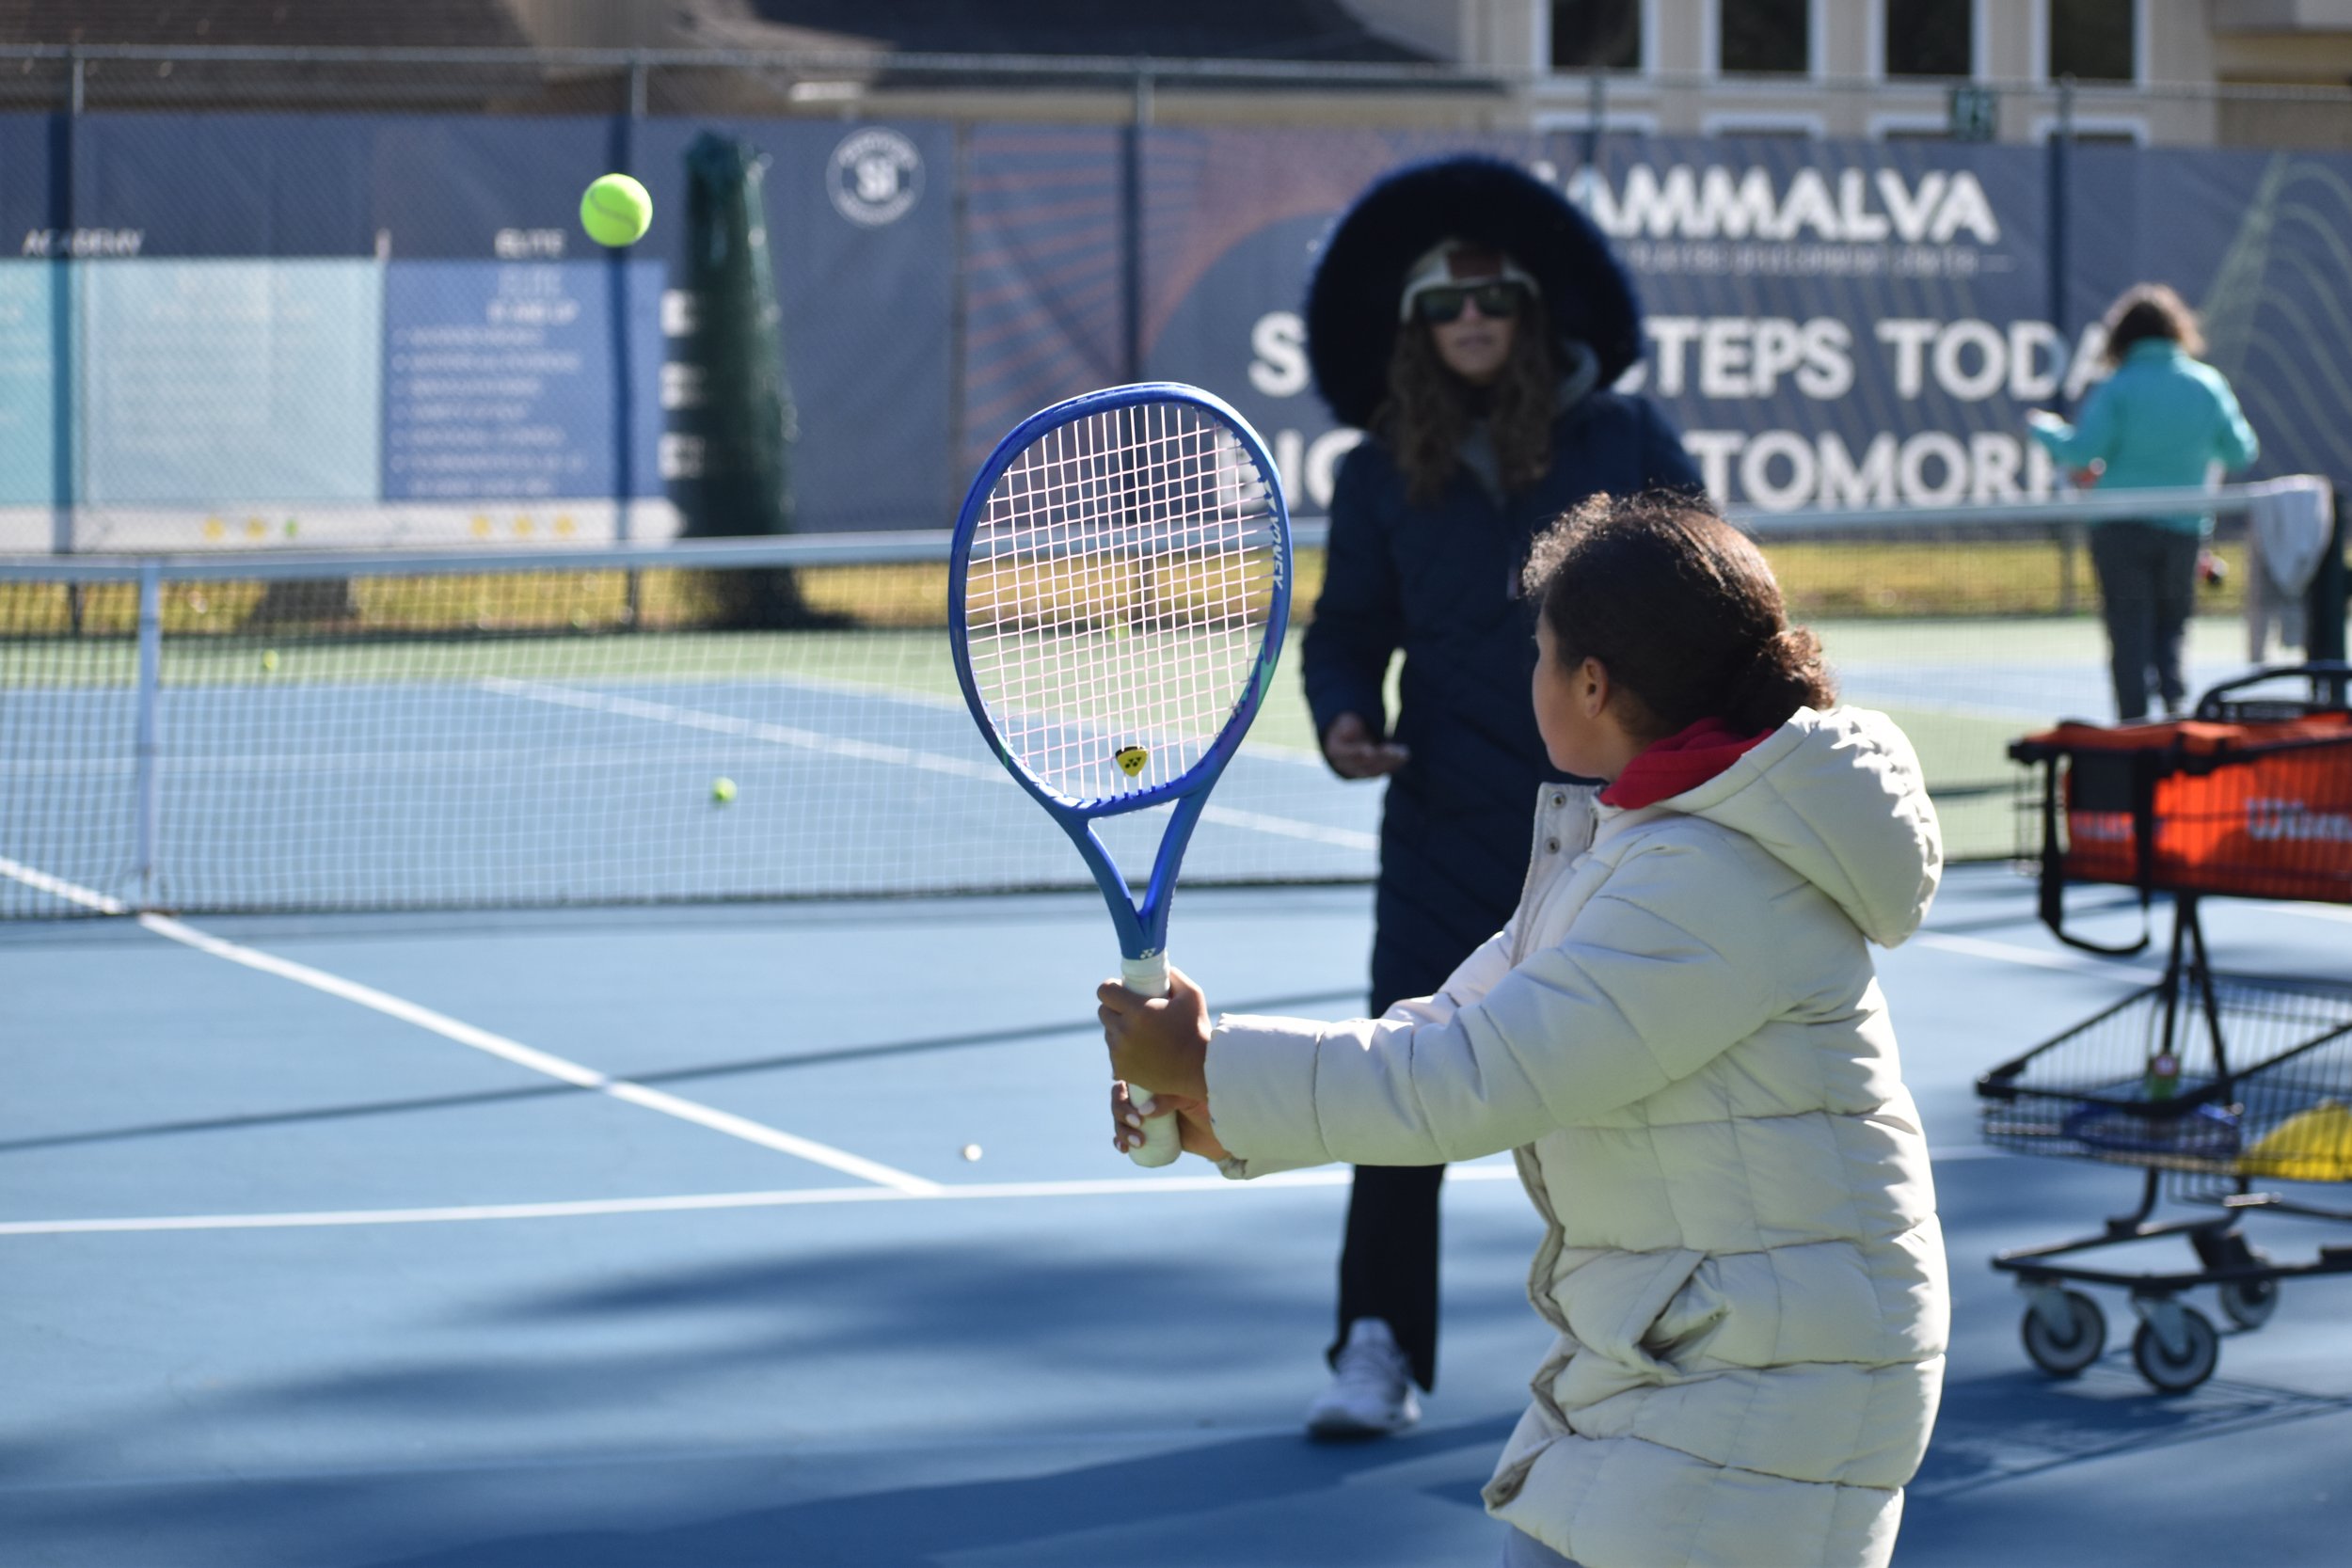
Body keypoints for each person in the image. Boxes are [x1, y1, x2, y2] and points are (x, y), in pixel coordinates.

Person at [1100, 491, 1949, 1568]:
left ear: (1591, 684)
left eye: (1541, 650)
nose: (1531, 671)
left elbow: (1468, 1078)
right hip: (1689, 1356)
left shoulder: (1707, 877)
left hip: (1765, 1382)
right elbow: (1454, 1022)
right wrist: (1214, 1099)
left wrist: (1213, 1067)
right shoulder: (1639, 843)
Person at [1295, 154, 1704, 1438]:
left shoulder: (1624, 440)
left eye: (1494, 299)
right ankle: (1375, 1344)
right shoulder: (1374, 475)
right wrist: (1345, 713)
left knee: (1645, 1092)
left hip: (1618, 828)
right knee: (1402, 1087)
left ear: (1533, 310)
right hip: (1443, 828)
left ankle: (1659, 1335)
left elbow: (1712, 589)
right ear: (1412, 327)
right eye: (1441, 305)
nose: (1470, 321)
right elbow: (1345, 626)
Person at [2026, 282, 2259, 721]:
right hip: (2184, 530)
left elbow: (2081, 451)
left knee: (2128, 633)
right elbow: (2241, 451)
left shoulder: (2120, 387)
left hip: (2119, 530)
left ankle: (2133, 733)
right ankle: (2175, 717)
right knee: (2173, 627)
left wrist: (2042, 430)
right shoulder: (2207, 385)